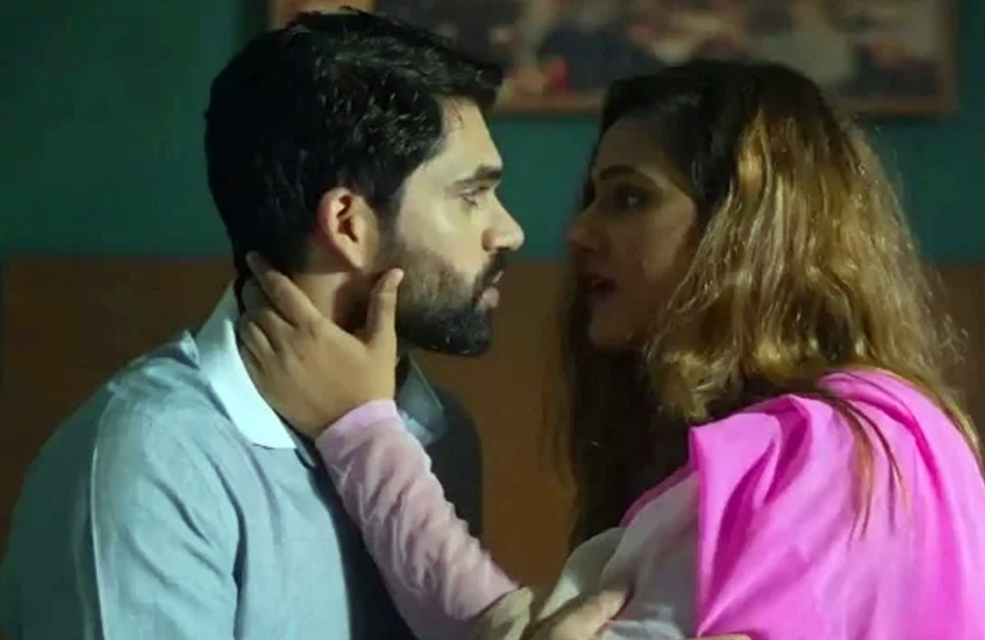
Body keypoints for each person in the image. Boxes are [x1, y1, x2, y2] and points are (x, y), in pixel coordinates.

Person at [237, 60, 985, 638]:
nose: (577, 233)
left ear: (747, 227)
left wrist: (361, 433)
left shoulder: (838, 446)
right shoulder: (830, 444)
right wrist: (364, 433)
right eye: (594, 198)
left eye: (630, 198)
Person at [0, 11, 628, 640]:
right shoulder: (156, 459)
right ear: (349, 224)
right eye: (471, 195)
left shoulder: (439, 434)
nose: (509, 231)